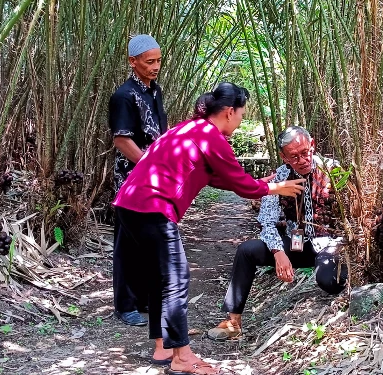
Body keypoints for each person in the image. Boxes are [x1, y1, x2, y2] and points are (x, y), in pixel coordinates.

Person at [113, 82, 306, 374]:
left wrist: (263, 185)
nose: (241, 121)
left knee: (158, 276)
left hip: (129, 203)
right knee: (177, 277)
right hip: (152, 206)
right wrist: (275, 187)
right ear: (229, 112)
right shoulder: (211, 137)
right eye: (242, 114)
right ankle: (182, 356)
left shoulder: (189, 129)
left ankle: (163, 346)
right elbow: (241, 185)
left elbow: (214, 176)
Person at [207, 126, 348, 341]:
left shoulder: (333, 171)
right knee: (247, 251)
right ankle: (233, 322)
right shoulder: (281, 175)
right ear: (284, 157)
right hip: (297, 244)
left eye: (305, 152)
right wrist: (278, 252)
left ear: (313, 145)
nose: (302, 160)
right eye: (294, 156)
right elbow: (267, 220)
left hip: (330, 245)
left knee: (329, 281)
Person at [109, 34, 168, 326]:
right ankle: (124, 304)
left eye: (158, 60)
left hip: (154, 177)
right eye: (149, 62)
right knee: (127, 243)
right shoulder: (124, 96)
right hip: (130, 180)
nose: (155, 66)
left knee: (150, 239)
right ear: (133, 62)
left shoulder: (154, 91)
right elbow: (121, 140)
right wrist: (148, 164)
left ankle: (144, 298)